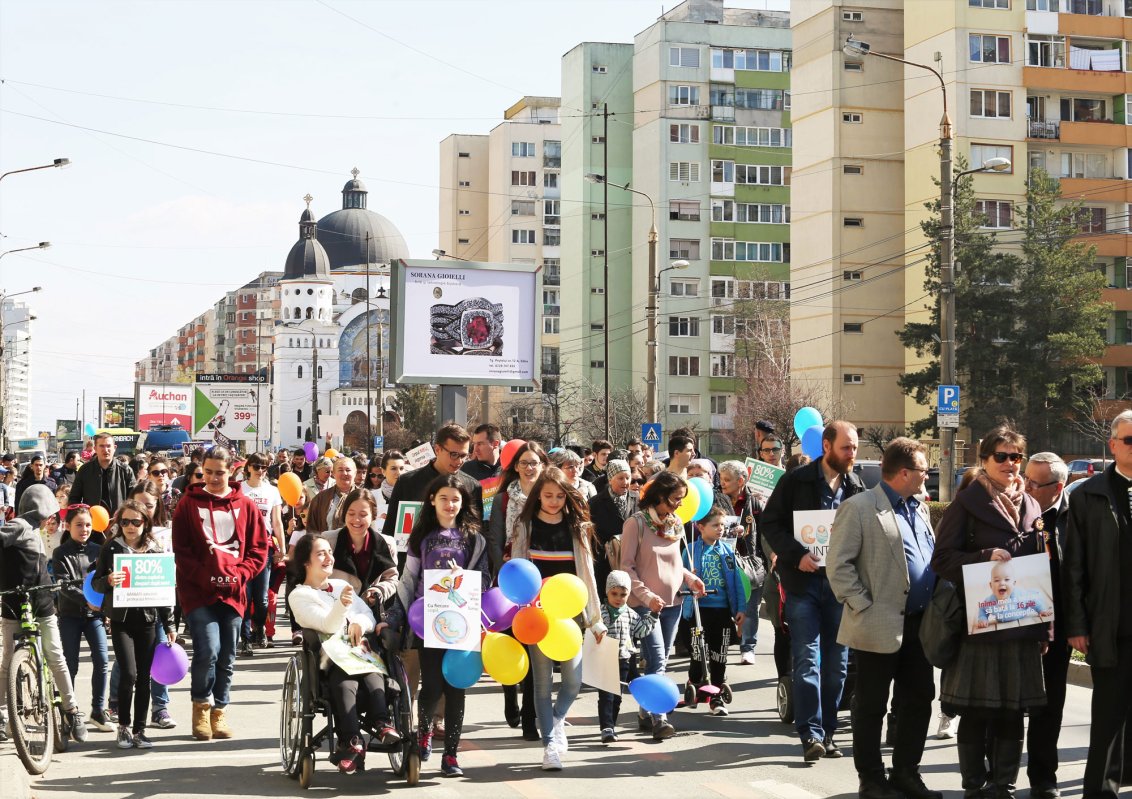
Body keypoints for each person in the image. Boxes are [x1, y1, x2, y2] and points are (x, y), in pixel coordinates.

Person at [932, 425, 1047, 799]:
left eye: (1017, 457)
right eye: (1002, 456)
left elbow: (1042, 569)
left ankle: (1004, 785)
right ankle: (974, 786)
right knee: (977, 711)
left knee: (1013, 712)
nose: (1011, 464)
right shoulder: (967, 502)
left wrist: (1045, 629)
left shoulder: (1031, 504)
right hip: (978, 625)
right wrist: (983, 557)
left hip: (1022, 624)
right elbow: (942, 560)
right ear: (984, 460)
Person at [827, 437, 942, 799]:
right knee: (871, 705)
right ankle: (872, 780)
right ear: (904, 472)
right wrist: (862, 605)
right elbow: (839, 565)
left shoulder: (919, 508)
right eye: (924, 470)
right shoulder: (860, 507)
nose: (928, 476)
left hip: (920, 624)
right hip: (877, 622)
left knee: (919, 698)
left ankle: (907, 772)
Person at [761, 420, 864, 763]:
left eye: (854, 448)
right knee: (808, 659)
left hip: (840, 588)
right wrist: (796, 556)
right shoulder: (795, 480)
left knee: (837, 666)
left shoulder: (855, 486)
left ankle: (829, 732)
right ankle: (811, 734)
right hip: (802, 585)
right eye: (846, 447)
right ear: (827, 446)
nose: (852, 454)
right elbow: (770, 523)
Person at [390, 474, 490, 778]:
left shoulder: (475, 537)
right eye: (444, 498)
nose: (450, 504)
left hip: (463, 620)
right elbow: (408, 580)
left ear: (463, 503)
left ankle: (451, 755)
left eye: (456, 499)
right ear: (432, 500)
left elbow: (486, 580)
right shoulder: (421, 537)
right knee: (431, 685)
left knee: (457, 687)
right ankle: (424, 735)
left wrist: (465, 576)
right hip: (428, 621)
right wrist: (398, 616)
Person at [510, 467, 606, 771]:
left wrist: (595, 618)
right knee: (540, 685)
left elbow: (587, 576)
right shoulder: (524, 526)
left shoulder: (577, 526)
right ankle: (550, 744)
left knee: (573, 681)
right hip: (537, 615)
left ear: (568, 496)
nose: (553, 501)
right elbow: (516, 571)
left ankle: (557, 719)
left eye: (559, 495)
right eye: (548, 495)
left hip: (571, 615)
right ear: (538, 494)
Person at [171, 446, 269, 741]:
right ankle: (201, 705)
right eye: (208, 472)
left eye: (220, 472)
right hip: (198, 592)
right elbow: (182, 550)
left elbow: (258, 549)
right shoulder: (188, 504)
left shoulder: (246, 505)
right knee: (208, 649)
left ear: (232, 472)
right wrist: (205, 576)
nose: (213, 478)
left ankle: (220, 709)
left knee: (227, 655)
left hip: (234, 592)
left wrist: (240, 574)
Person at [1063, 410, 1132, 799]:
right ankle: (1100, 792)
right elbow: (1074, 566)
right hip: (1112, 626)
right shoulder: (1088, 494)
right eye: (1130, 441)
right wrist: (1077, 624)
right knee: (1108, 718)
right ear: (1113, 445)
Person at [289, 534, 399, 775]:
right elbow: (326, 626)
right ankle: (352, 741)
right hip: (328, 660)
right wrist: (341, 606)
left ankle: (380, 722)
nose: (329, 557)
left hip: (358, 652)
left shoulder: (340, 585)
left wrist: (359, 621)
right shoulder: (299, 596)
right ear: (306, 562)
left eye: (330, 552)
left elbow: (367, 615)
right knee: (344, 679)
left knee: (373, 673)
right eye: (321, 553)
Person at [621, 470, 706, 740]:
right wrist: (647, 597)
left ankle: (646, 712)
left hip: (674, 602)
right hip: (646, 606)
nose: (678, 504)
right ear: (658, 496)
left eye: (681, 499)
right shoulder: (636, 524)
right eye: (673, 499)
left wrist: (691, 579)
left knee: (663, 659)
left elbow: (676, 564)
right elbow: (627, 568)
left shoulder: (675, 522)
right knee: (656, 658)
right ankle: (660, 718)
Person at [0, 485, 88, 741]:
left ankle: (71, 710)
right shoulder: (19, 525)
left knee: (53, 656)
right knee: (10, 662)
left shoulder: (33, 529)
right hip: (17, 602)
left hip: (38, 600)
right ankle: (5, 713)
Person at [93, 500, 174, 749]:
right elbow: (95, 584)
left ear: (145, 523)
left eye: (135, 522)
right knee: (128, 673)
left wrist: (169, 624)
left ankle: (139, 730)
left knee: (144, 678)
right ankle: (124, 727)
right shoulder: (111, 548)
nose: (129, 526)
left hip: (148, 621)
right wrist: (107, 580)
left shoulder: (155, 549)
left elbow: (164, 590)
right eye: (124, 521)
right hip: (121, 621)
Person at [485, 439, 547, 739]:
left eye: (534, 463)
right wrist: (502, 574)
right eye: (524, 463)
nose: (530, 468)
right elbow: (495, 540)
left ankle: (529, 716)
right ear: (515, 468)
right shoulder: (503, 500)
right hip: (510, 579)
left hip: (541, 580)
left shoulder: (549, 497)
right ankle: (510, 693)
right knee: (512, 643)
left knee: (536, 645)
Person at [1021, 452, 1070, 799]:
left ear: (1058, 487)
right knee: (1006, 703)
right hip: (1014, 618)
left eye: (1035, 483)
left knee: (1049, 704)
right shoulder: (1013, 508)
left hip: (1060, 623)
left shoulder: (1076, 514)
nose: (1026, 486)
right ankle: (997, 775)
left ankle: (1043, 777)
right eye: (1025, 478)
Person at [52, 504, 112, 733]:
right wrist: (86, 600)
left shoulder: (100, 550)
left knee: (102, 660)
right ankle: (70, 712)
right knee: (70, 664)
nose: (84, 529)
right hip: (69, 615)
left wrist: (103, 608)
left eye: (88, 524)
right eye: (79, 525)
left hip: (94, 615)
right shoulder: (60, 552)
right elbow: (63, 585)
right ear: (69, 526)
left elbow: (105, 580)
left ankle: (98, 710)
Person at [683, 505, 744, 716]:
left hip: (722, 610)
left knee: (720, 654)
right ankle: (695, 681)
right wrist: (688, 588)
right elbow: (680, 578)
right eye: (715, 525)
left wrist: (740, 609)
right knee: (698, 652)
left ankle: (716, 695)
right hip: (699, 610)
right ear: (700, 527)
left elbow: (737, 582)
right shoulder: (690, 551)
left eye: (722, 525)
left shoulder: (727, 550)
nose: (720, 529)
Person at [381, 424, 483, 548]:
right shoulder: (407, 482)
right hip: (413, 561)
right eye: (454, 454)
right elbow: (390, 529)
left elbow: (476, 532)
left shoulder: (472, 486)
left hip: (457, 562)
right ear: (437, 449)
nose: (459, 461)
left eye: (464, 456)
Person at [717, 459, 766, 667]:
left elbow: (766, 533)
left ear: (741, 480)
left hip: (750, 563)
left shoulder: (755, 502)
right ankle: (720, 647)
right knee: (721, 606)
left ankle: (748, 648)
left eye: (727, 479)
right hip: (723, 561)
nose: (723, 483)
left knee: (751, 606)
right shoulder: (716, 500)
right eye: (721, 478)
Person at [239, 453, 285, 652]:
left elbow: (276, 522)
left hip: (263, 546)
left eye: (264, 467)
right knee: (245, 596)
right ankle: (246, 638)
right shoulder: (239, 489)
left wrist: (282, 548)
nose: (259, 471)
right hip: (241, 548)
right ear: (248, 467)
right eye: (256, 466)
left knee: (262, 598)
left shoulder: (272, 491)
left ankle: (259, 627)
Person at [324, 489, 399, 605]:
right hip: (333, 611)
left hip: (369, 616)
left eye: (363, 515)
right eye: (351, 513)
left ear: (373, 516)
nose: (356, 520)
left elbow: (391, 579)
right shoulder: (328, 540)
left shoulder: (387, 543)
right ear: (344, 514)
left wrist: (379, 591)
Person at [597, 570, 643, 744]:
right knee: (607, 695)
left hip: (624, 658)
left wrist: (654, 615)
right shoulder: (601, 611)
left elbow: (641, 630)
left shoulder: (631, 614)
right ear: (607, 592)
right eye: (614, 594)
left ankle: (612, 725)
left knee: (617, 696)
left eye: (623, 595)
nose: (618, 598)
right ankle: (606, 727)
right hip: (605, 657)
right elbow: (592, 626)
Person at [588, 459, 637, 593]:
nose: (625, 482)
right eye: (620, 478)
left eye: (628, 478)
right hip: (605, 563)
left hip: (632, 561)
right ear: (610, 479)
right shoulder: (595, 503)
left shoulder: (637, 499)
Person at [69, 433, 136, 515]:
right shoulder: (85, 470)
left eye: (108, 446)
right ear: (95, 449)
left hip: (118, 522)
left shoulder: (125, 470)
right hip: (92, 522)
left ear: (114, 448)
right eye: (101, 446)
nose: (105, 449)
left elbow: (134, 499)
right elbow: (74, 499)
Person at [306, 456, 358, 536]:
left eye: (348, 470)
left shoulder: (362, 497)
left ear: (355, 473)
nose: (344, 473)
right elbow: (312, 530)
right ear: (333, 473)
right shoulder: (320, 499)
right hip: (327, 546)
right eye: (340, 470)